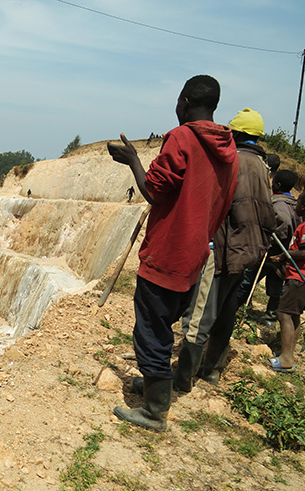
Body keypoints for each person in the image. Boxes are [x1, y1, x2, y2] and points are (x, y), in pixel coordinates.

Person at [106, 75, 239, 431]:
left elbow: (154, 191)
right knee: (164, 325)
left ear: (183, 101)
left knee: (150, 330)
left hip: (166, 253)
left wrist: (134, 160)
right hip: (196, 256)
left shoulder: (181, 137)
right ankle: (155, 385)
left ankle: (153, 411)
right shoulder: (230, 151)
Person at [169, 108, 275, 391]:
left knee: (199, 316)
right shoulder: (263, 167)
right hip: (250, 252)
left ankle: (181, 379)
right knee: (227, 311)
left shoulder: (234, 162)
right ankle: (212, 368)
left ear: (238, 134)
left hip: (224, 250)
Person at [269, 189, 305, 373]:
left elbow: (304, 252)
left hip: (299, 278)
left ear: (304, 206)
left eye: (298, 202)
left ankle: (285, 359)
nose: (296, 206)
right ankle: (288, 353)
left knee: (284, 314)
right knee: (293, 316)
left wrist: (283, 256)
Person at [235, 169, 301, 327]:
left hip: (268, 251)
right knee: (275, 286)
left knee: (248, 281)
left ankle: (236, 308)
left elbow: (283, 223)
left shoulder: (278, 204)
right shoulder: (295, 206)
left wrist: (270, 236)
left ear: (277, 184)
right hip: (284, 254)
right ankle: (269, 316)